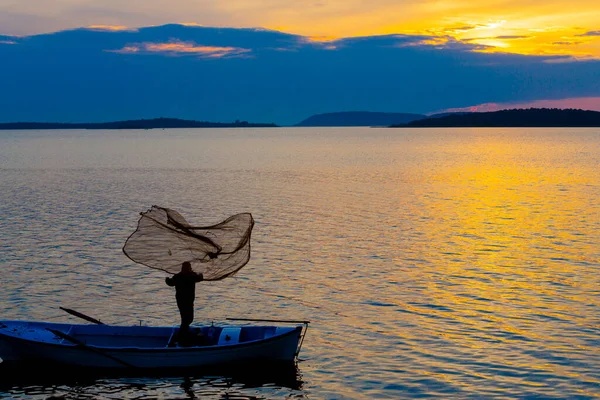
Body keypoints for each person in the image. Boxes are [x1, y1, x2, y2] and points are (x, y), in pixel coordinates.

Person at [166, 261, 204, 345]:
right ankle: (182, 337)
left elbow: (170, 283)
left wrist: (167, 279)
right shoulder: (191, 276)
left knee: (185, 318)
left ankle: (183, 335)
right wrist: (200, 274)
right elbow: (200, 277)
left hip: (180, 300)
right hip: (188, 301)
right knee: (188, 318)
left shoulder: (178, 276)